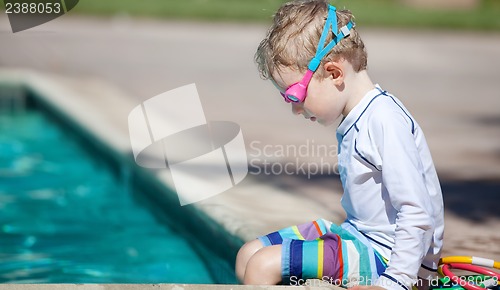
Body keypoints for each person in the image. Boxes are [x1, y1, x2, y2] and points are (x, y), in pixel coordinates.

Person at [235, 1, 445, 289]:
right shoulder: (358, 117)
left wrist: (396, 282)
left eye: (294, 96)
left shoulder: (384, 120)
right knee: (248, 254)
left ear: (334, 73)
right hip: (357, 235)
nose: (295, 110)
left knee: (263, 265)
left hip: (388, 259)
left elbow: (418, 212)